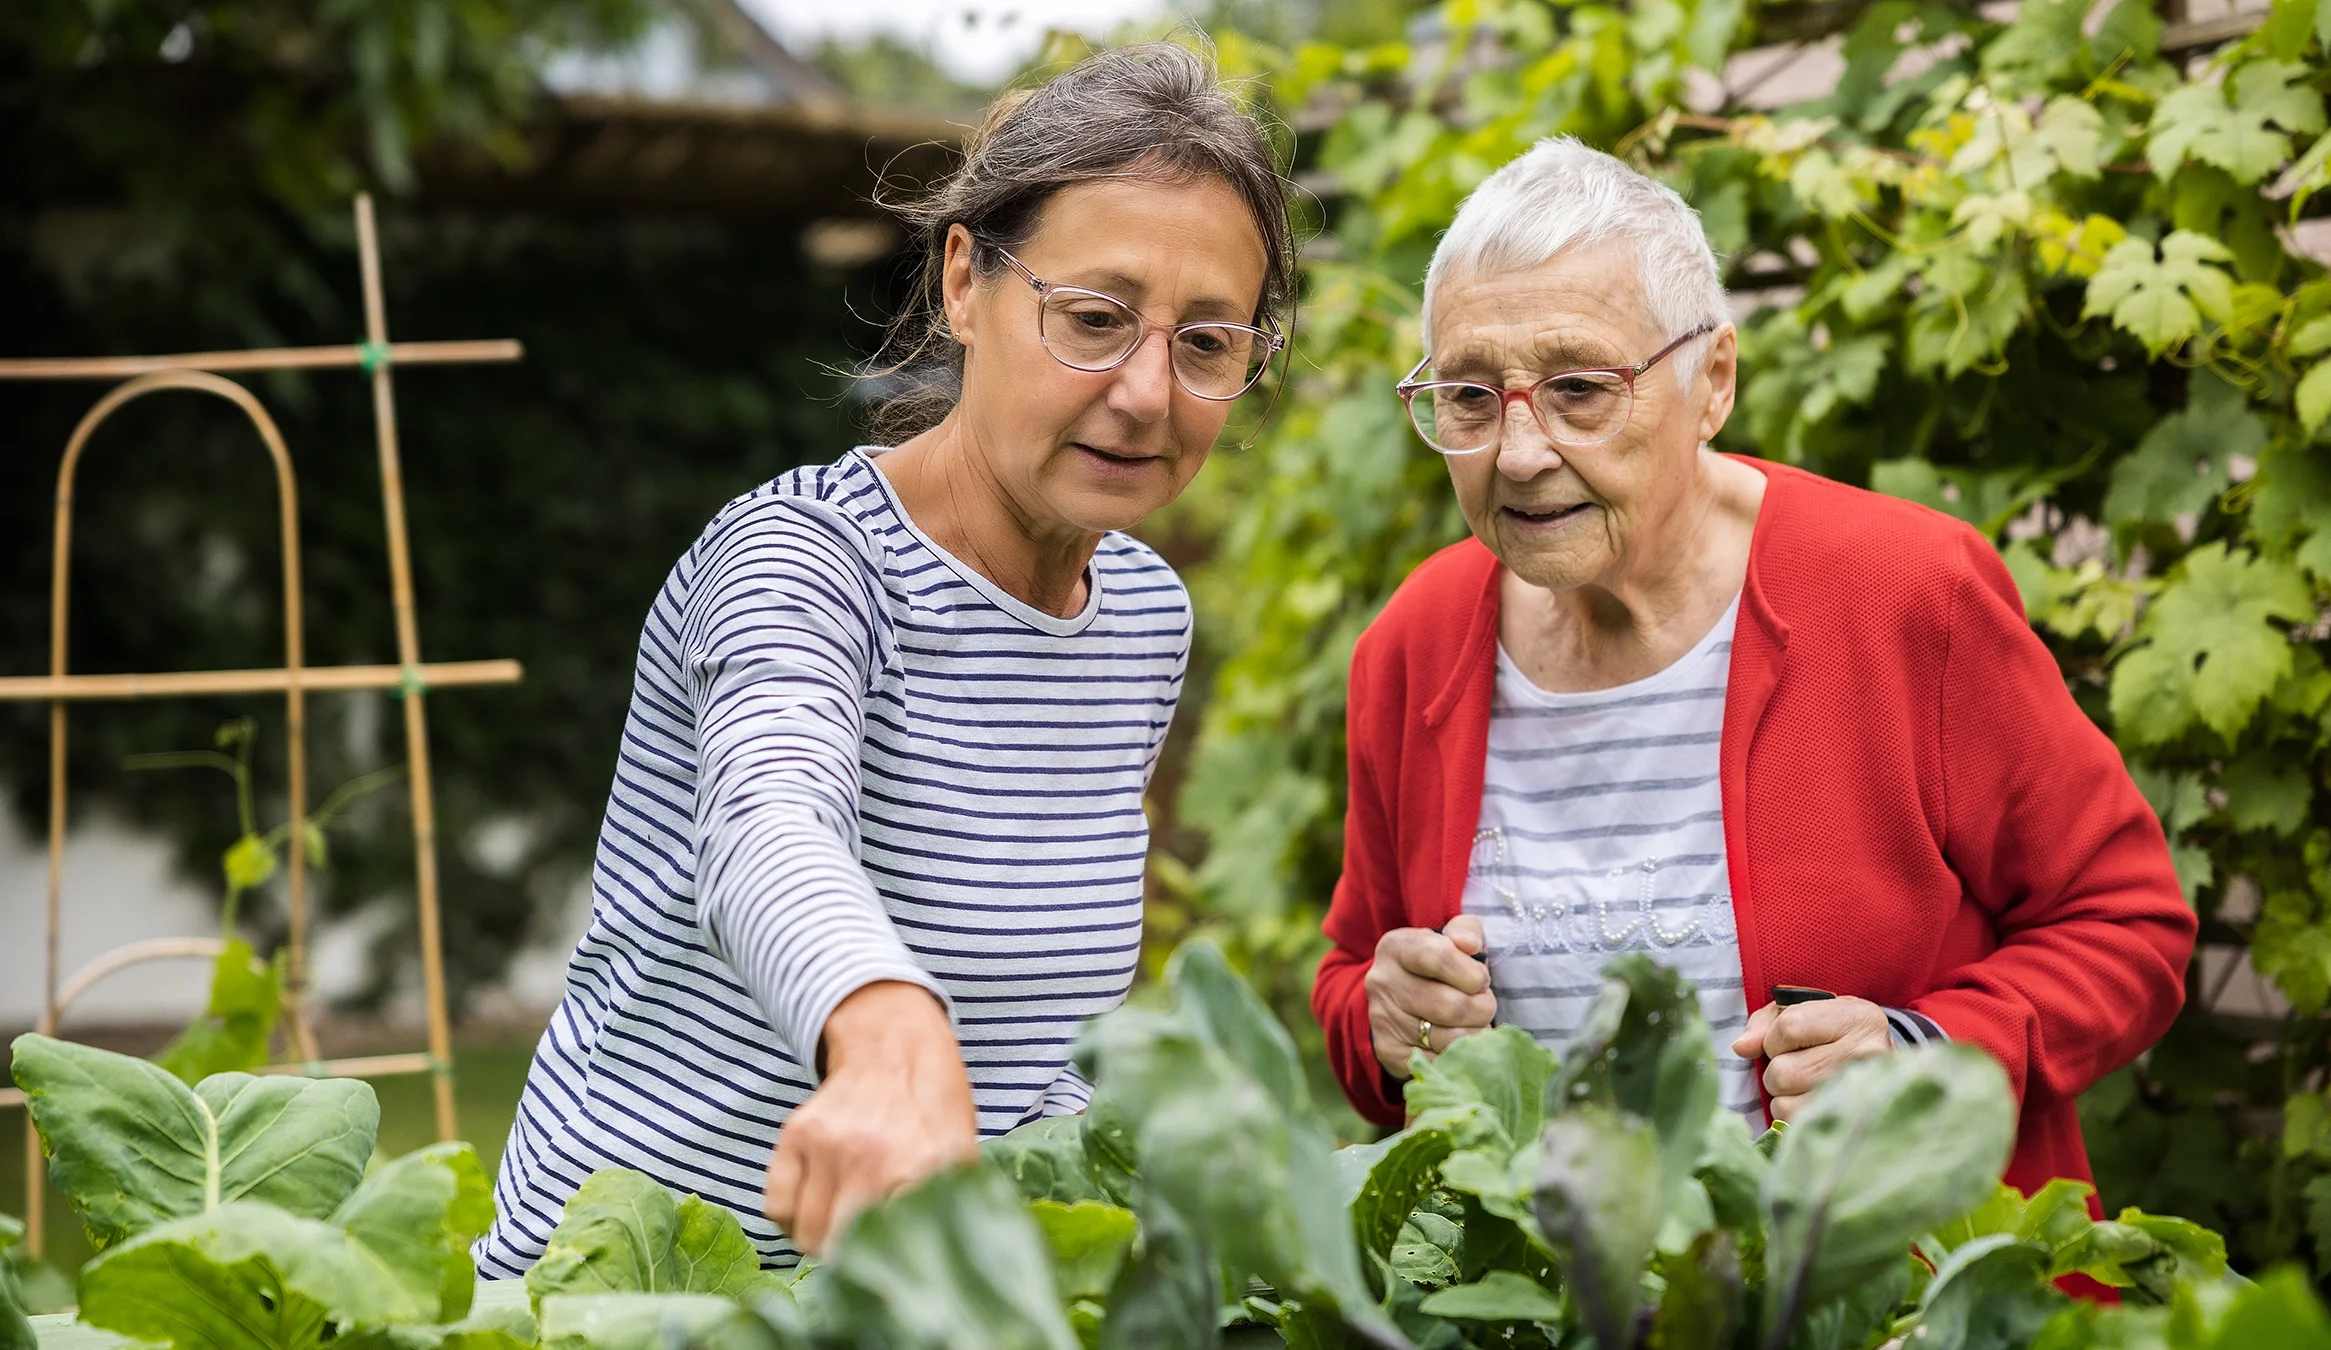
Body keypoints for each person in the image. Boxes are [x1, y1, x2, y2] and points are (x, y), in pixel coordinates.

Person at [477, 43, 1292, 1272]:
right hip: (621, 1290)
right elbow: (769, 823)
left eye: (1207, 343)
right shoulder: (801, 560)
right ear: (966, 282)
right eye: (1094, 319)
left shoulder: (1141, 614)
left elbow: (1040, 1042)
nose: (1146, 392)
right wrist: (890, 1029)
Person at [1310, 137, 2195, 1205]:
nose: (1521, 452)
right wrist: (1385, 1017)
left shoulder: (1905, 591)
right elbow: (1358, 989)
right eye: (1468, 397)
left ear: (1713, 381)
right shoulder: (1417, 644)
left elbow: (2128, 924)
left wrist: (1923, 1052)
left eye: (1581, 389)